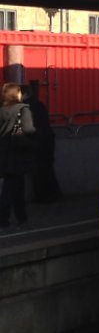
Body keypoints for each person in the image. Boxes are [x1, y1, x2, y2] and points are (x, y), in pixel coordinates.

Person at [0, 82, 36, 230]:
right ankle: (4, 220)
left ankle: (22, 219)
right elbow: (28, 129)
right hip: (18, 154)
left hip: (4, 153)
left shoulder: (2, 110)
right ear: (16, 94)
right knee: (11, 188)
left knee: (16, 187)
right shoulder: (23, 110)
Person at [21, 83, 61, 202]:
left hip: (36, 141)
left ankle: (42, 196)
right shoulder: (39, 104)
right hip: (46, 140)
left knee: (39, 172)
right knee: (47, 169)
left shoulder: (25, 107)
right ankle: (53, 194)